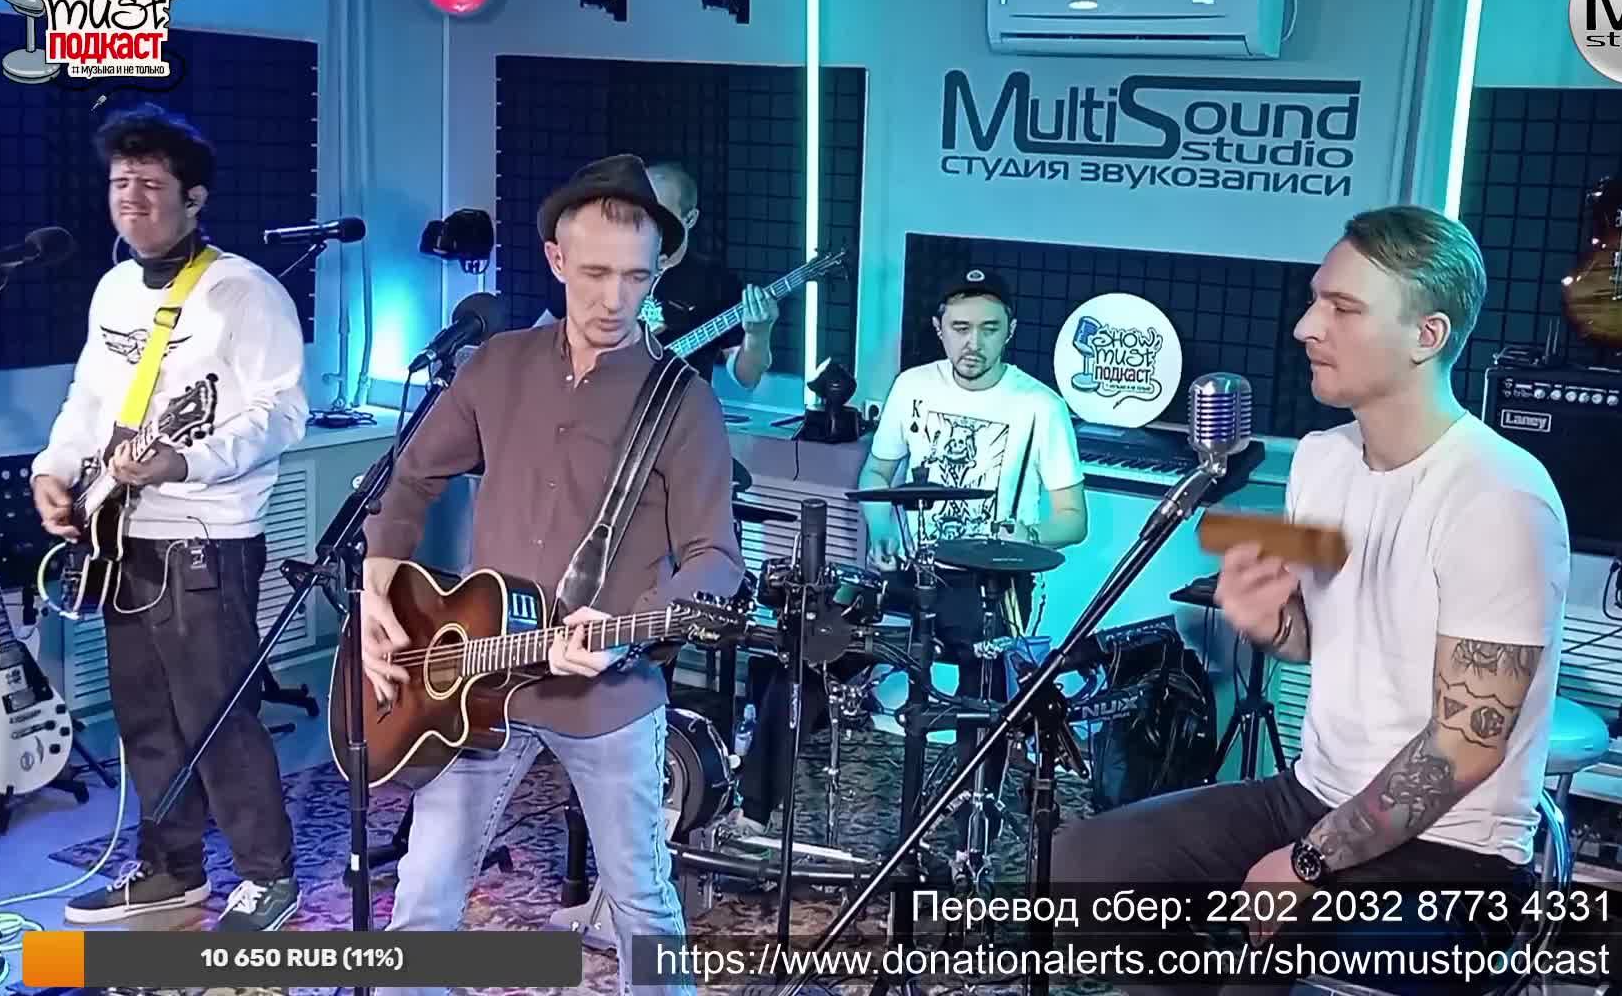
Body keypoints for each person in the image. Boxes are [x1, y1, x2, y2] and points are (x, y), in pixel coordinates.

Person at [1052, 206, 1571, 995]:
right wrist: (1274, 625)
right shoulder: (1323, 461)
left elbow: (1467, 744)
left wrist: (1305, 862)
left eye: (1343, 308)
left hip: (1453, 851)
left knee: (1265, 960)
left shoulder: (1500, 497)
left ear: (1427, 336)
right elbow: (1323, 638)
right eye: (1314, 300)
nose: (1305, 327)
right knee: (1076, 871)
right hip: (1312, 793)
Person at [358, 154, 741, 996]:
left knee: (641, 903)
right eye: (596, 273)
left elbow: (716, 559)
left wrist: (631, 628)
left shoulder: (682, 401)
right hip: (474, 678)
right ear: (556, 259)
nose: (615, 299)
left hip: (609, 695)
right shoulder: (497, 364)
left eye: (637, 277)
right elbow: (412, 475)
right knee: (423, 895)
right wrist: (380, 580)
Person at [30, 103, 308, 932]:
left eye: (151, 184)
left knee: (217, 715)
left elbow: (281, 414)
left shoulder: (243, 293)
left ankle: (269, 877)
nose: (132, 198)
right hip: (120, 536)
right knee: (145, 716)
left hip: (206, 539)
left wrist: (185, 461)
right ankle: (171, 869)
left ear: (195, 198)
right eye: (122, 182)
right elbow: (90, 401)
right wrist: (53, 471)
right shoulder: (114, 289)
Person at [732, 269, 1087, 852]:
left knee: (984, 688)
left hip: (987, 583)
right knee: (812, 638)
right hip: (907, 567)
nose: (974, 342)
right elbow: (878, 472)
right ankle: (754, 809)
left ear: (1010, 332)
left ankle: (973, 832)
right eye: (961, 328)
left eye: (989, 329)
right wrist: (880, 530)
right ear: (939, 329)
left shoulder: (1040, 406)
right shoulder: (912, 386)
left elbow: (1074, 520)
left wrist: (1028, 530)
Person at [644, 162, 781, 390]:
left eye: (661, 216)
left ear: (690, 219)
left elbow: (746, 378)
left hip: (682, 408)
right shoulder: (609, 266)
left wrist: (758, 335)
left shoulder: (716, 281)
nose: (648, 224)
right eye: (640, 213)